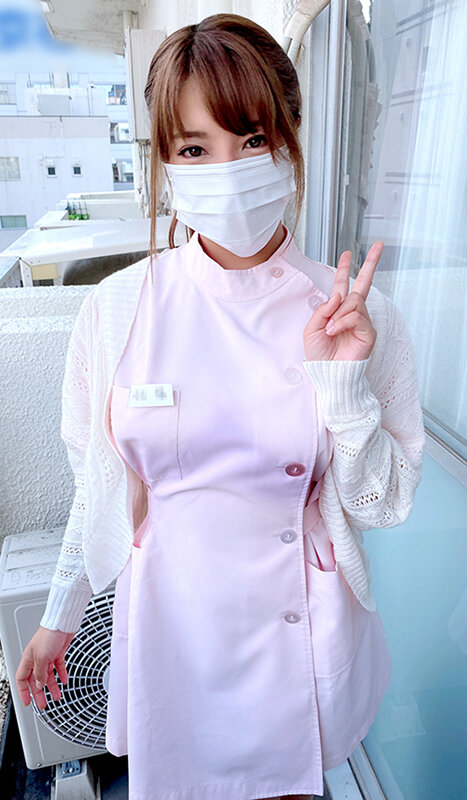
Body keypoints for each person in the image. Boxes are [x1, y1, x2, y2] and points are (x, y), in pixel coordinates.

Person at [15, 13, 425, 800]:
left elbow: (383, 506)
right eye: (194, 148)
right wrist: (59, 612)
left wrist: (342, 385)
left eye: (252, 139)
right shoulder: (117, 307)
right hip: (171, 624)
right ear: (164, 160)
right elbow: (99, 484)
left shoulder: (357, 313)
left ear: (291, 141)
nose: (227, 170)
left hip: (296, 632)